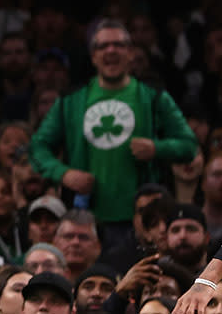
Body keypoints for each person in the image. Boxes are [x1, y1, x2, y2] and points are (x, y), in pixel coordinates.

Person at [30, 19, 196, 252]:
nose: (111, 51)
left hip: (144, 220)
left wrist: (157, 148)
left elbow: (189, 145)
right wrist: (64, 173)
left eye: (119, 45)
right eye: (103, 46)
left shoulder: (153, 96)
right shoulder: (71, 100)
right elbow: (38, 146)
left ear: (130, 53)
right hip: (87, 221)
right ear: (93, 56)